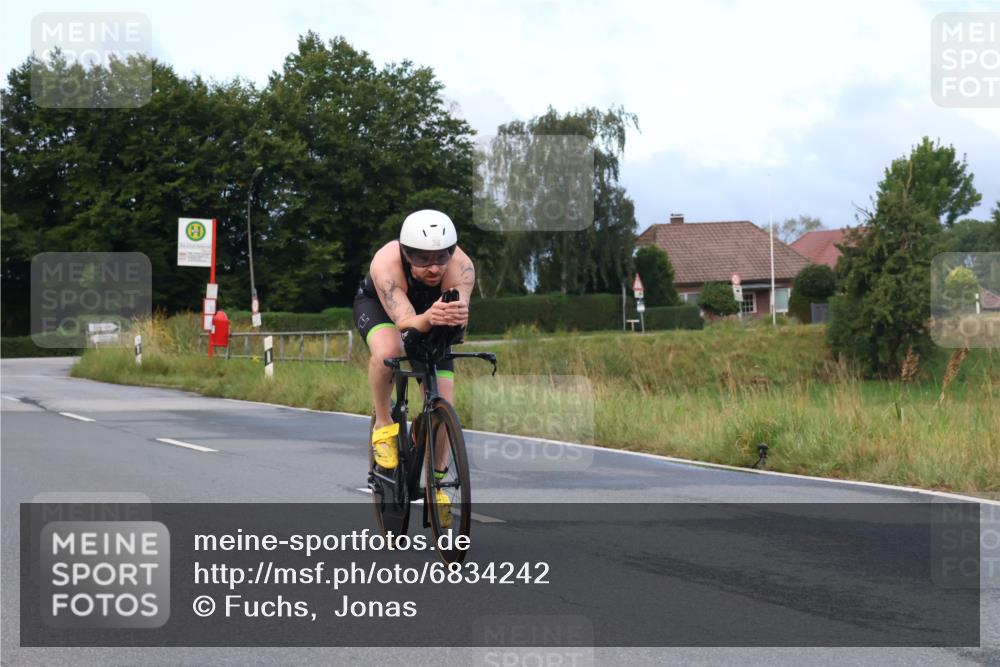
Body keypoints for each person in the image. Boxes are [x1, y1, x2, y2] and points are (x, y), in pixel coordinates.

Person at [353, 209, 474, 523]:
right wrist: (429, 317)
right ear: (406, 254)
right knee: (389, 351)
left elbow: (458, 320)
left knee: (443, 399)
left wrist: (452, 319)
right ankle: (383, 424)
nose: (434, 268)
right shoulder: (386, 264)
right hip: (383, 308)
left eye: (441, 257)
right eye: (422, 259)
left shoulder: (461, 267)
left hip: (430, 313)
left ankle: (438, 481)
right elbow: (406, 324)